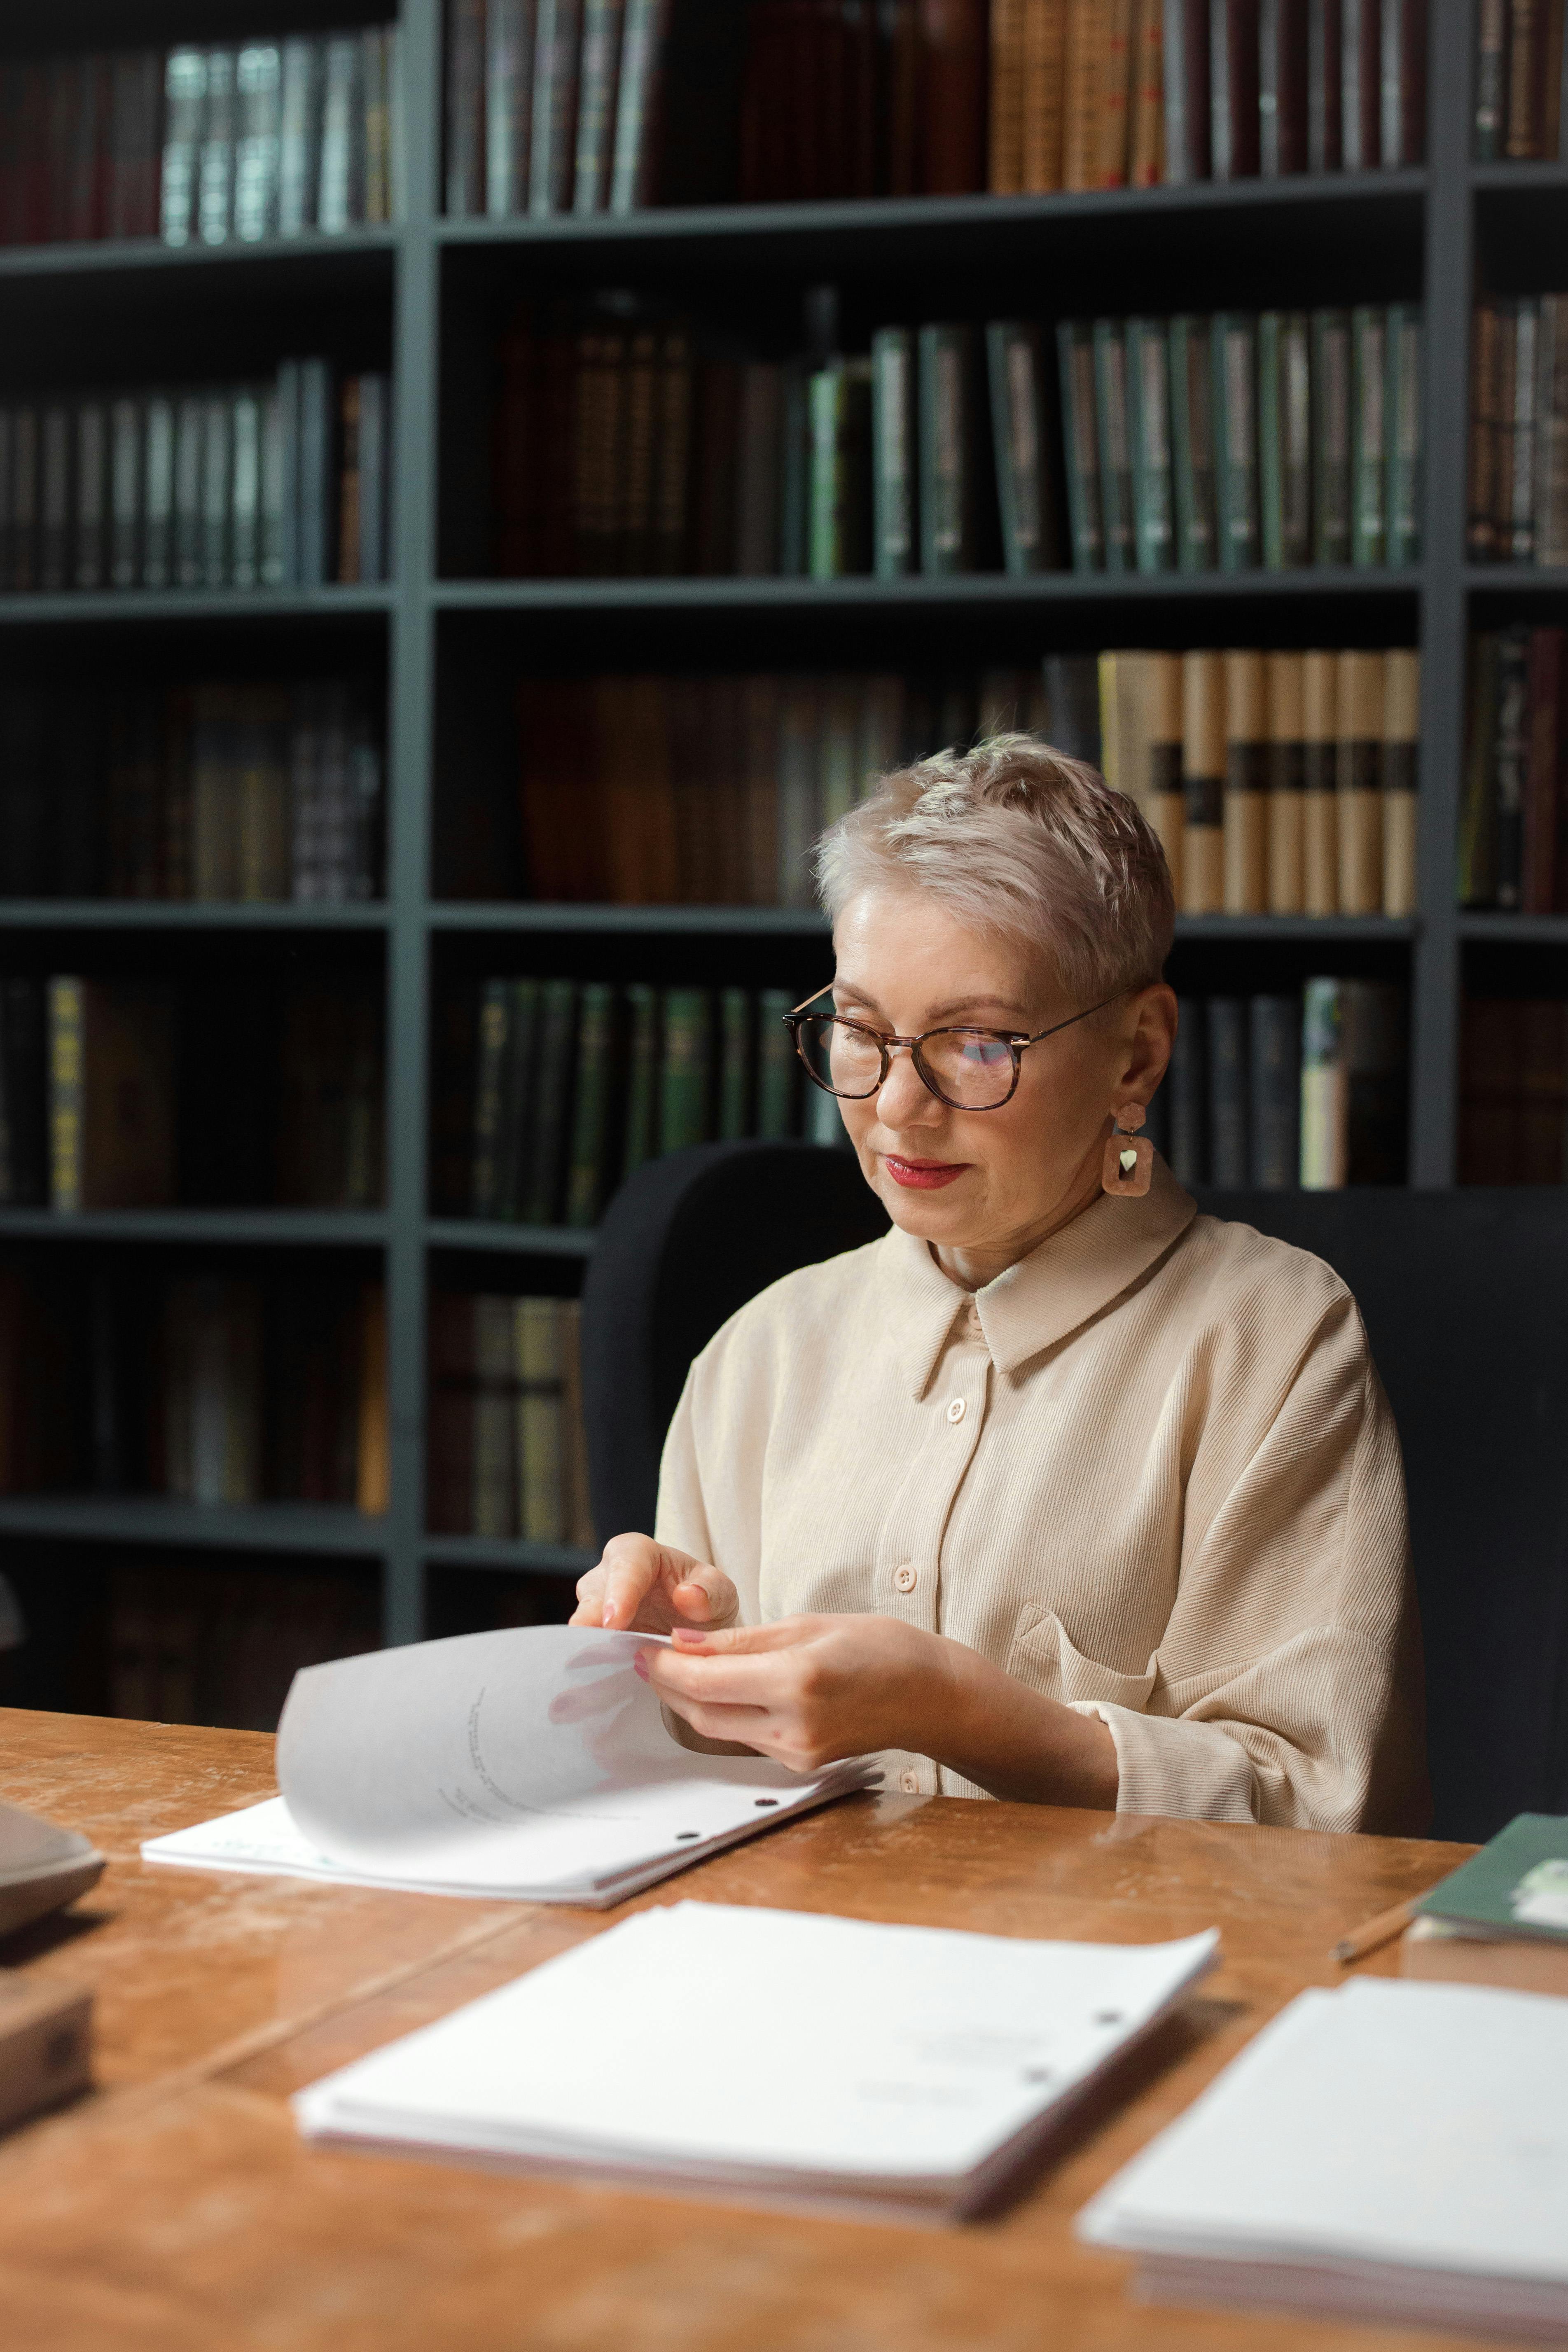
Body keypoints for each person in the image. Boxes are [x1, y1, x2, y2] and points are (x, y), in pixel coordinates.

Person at [571, 737, 1428, 1833]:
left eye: (977, 1045)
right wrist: (662, 1685)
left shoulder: (1276, 1343)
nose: (897, 1110)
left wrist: (967, 1714)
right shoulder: (762, 1352)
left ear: (1137, 1057)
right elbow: (690, 1822)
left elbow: (1327, 1816)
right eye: (862, 1032)